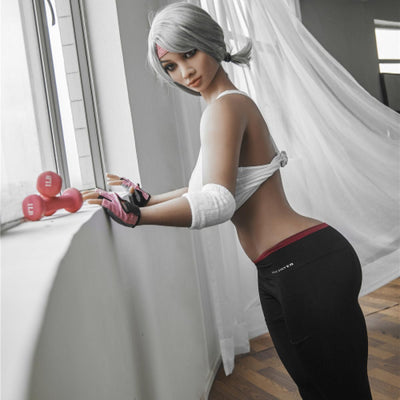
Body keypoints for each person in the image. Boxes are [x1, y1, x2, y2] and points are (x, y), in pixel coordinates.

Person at [83, 3, 372, 399]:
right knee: (319, 390)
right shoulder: (224, 106)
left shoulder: (225, 108)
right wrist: (147, 200)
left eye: (189, 53)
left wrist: (137, 217)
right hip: (285, 266)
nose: (185, 72)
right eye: (171, 66)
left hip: (304, 265)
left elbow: (219, 202)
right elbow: (206, 187)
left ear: (210, 42)